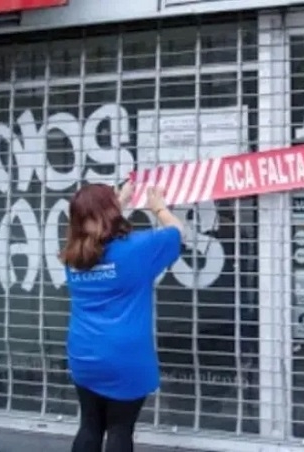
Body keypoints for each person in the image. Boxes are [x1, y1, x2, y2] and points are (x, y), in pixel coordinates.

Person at [59, 180, 184, 452]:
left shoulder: (73, 257)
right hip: (125, 357)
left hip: (84, 353)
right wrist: (159, 208)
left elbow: (100, 237)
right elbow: (177, 233)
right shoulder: (138, 248)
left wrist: (119, 204)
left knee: (90, 425)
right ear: (110, 212)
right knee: (120, 429)